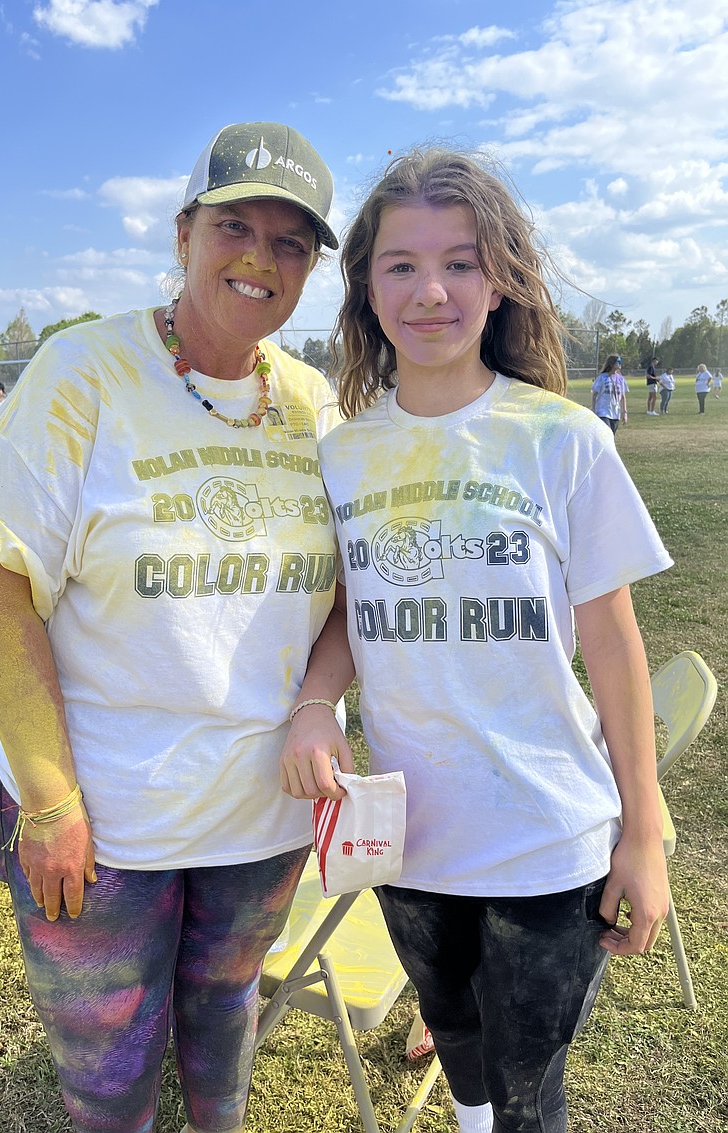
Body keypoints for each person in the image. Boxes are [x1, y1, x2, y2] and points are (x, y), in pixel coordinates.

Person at [0, 121, 342, 1133]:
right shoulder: (81, 373)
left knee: (221, 1028)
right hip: (104, 815)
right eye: (234, 225)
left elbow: (348, 594)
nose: (259, 257)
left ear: (309, 269)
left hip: (260, 816)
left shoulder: (311, 406)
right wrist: (46, 798)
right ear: (184, 234)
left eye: (290, 242)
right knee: (111, 1069)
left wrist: (316, 703)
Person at [280, 146, 672, 1133]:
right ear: (366, 287)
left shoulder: (562, 438)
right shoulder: (342, 451)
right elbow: (346, 612)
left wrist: (645, 828)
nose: (431, 290)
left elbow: (615, 643)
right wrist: (314, 700)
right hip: (406, 833)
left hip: (546, 835)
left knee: (529, 1085)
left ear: (498, 280)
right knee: (453, 1029)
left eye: (459, 261)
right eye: (401, 265)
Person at [591, 354, 628, 433]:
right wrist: (593, 410)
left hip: (615, 413)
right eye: (618, 362)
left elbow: (623, 397)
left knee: (611, 437)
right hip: (603, 412)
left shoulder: (621, 379)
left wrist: (624, 413)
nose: (620, 363)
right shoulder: (602, 378)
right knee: (606, 433)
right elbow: (594, 395)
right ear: (612, 364)